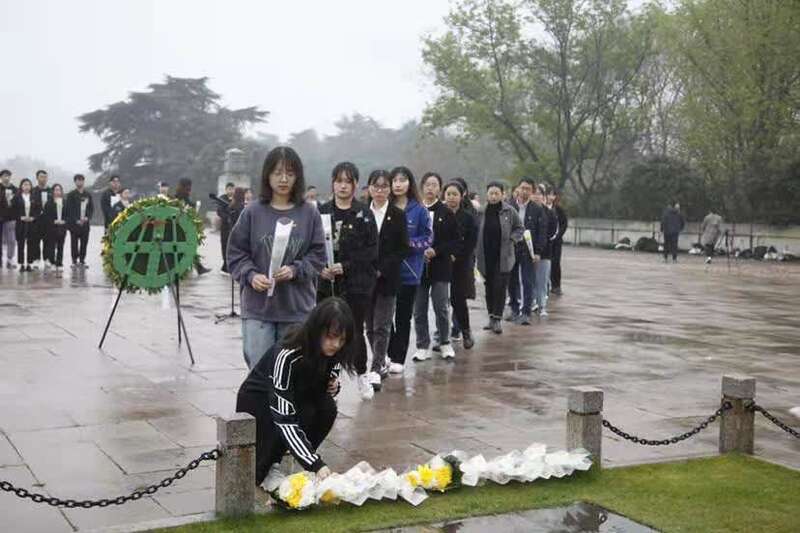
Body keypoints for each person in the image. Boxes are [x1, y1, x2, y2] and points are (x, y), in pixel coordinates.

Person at [236, 297, 357, 485]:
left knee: (326, 408)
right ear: (317, 331)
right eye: (331, 337)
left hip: (296, 396)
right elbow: (283, 416)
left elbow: (331, 372)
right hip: (260, 402)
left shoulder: (334, 351)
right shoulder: (288, 353)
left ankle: (291, 458)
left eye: (341, 340)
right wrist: (315, 464)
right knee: (295, 416)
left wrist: (334, 385)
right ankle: (267, 468)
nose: (335, 345)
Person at [227, 146, 327, 369]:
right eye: (277, 173)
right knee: (260, 373)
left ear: (298, 177)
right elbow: (236, 254)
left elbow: (318, 255)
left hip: (297, 309)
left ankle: (289, 406)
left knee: (293, 374)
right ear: (267, 175)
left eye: (290, 174)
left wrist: (295, 270)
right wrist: (251, 275)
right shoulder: (252, 212)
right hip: (258, 309)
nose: (283, 179)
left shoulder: (309, 213)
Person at [317, 162, 379, 400]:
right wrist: (320, 269)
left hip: (357, 284)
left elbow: (372, 251)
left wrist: (347, 266)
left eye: (348, 181)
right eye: (339, 181)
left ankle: (362, 374)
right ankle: (325, 380)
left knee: (353, 331)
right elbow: (312, 247)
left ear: (354, 185)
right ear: (333, 183)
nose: (343, 186)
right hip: (327, 283)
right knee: (325, 332)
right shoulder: (321, 211)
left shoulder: (364, 213)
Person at [364, 170, 410, 391]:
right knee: (369, 327)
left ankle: (375, 368)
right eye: (376, 186)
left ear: (389, 189)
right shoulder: (362, 214)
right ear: (369, 188)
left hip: (387, 278)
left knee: (382, 325)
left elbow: (403, 248)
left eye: (384, 186)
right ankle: (381, 360)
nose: (380, 190)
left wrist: (383, 268)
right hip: (364, 279)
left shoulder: (397, 215)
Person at [386, 167, 432, 374]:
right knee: (384, 316)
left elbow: (429, 238)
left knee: (403, 316)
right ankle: (387, 352)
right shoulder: (383, 207)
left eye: (402, 180)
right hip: (386, 271)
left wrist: (408, 244)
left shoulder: (419, 210)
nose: (397, 184)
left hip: (410, 271)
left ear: (409, 183)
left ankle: (398, 358)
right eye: (394, 180)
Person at [412, 172, 460, 362]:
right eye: (427, 184)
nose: (430, 188)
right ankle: (422, 345)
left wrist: (436, 251)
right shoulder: (415, 210)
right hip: (417, 267)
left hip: (440, 267)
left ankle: (444, 342)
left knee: (441, 306)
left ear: (439, 189)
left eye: (434, 185)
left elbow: (454, 241)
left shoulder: (446, 212)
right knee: (419, 308)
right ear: (422, 187)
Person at [475, 182, 523, 334]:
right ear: (487, 195)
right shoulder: (481, 211)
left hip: (503, 256)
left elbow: (519, 228)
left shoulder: (509, 211)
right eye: (491, 193)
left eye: (497, 193)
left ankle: (497, 319)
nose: (494, 196)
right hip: (485, 255)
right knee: (489, 288)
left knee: (500, 288)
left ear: (503, 194)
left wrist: (512, 240)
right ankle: (491, 317)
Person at [506, 177, 546, 325]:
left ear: (532, 191)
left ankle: (526, 312)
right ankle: (514, 309)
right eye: (522, 188)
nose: (524, 191)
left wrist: (538, 252)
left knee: (527, 281)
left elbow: (542, 232)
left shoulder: (537, 209)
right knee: (511, 280)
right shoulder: (509, 207)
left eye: (528, 189)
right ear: (518, 188)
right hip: (512, 249)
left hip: (528, 250)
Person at [443, 181, 478, 349]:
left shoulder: (468, 217)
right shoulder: (439, 213)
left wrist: (457, 256)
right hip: (440, 262)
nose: (451, 197)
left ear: (461, 195)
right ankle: (441, 337)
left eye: (454, 194)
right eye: (448, 194)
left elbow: (471, 242)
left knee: (458, 299)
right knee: (440, 301)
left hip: (460, 264)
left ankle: (465, 331)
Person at [174, 178, 211, 275]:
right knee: (188, 248)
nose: (190, 190)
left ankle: (198, 268)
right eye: (188, 187)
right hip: (176, 228)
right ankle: (197, 268)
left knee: (190, 248)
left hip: (184, 227)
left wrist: (195, 206)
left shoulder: (185, 196)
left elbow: (190, 205)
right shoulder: (176, 197)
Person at [536, 184, 559, 317]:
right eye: (535, 193)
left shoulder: (550, 213)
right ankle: (529, 304)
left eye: (540, 194)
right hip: (527, 252)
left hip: (545, 253)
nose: (536, 196)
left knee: (542, 281)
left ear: (544, 197)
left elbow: (553, 232)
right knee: (527, 280)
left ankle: (542, 306)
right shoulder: (527, 211)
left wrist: (542, 244)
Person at [65, 174, 94, 269]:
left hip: (85, 224)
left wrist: (87, 218)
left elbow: (91, 208)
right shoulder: (71, 195)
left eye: (81, 180)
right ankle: (74, 261)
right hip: (74, 224)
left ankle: (82, 260)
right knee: (74, 243)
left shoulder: (88, 195)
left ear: (83, 181)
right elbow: (69, 209)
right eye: (78, 180)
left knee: (84, 243)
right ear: (75, 182)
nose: (80, 182)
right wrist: (75, 220)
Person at [12, 178, 38, 272]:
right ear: (21, 186)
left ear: (31, 187)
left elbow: (38, 210)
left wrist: (33, 217)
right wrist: (20, 217)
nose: (27, 186)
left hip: (31, 224)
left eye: (28, 185)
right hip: (21, 224)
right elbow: (13, 210)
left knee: (31, 244)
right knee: (21, 244)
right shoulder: (17, 197)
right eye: (24, 184)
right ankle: (21, 264)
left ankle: (29, 264)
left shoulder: (34, 197)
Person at [42, 184, 68, 270]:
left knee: (61, 246)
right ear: (53, 191)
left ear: (61, 192)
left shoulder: (65, 202)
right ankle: (52, 261)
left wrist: (64, 221)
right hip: (51, 228)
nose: (57, 192)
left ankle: (59, 263)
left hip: (62, 228)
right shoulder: (49, 203)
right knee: (51, 246)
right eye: (56, 190)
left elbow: (68, 215)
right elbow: (46, 216)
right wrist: (53, 221)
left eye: (59, 190)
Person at [31, 170, 52, 270]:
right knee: (35, 240)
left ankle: (47, 259)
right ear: (37, 178)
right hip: (36, 220)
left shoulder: (50, 191)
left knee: (48, 241)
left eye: (45, 177)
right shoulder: (33, 191)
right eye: (41, 177)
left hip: (48, 221)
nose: (43, 179)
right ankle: (36, 259)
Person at [550, 190, 568, 295]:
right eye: (549, 194)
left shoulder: (558, 209)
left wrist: (558, 235)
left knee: (556, 262)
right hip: (546, 241)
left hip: (556, 242)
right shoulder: (543, 208)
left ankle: (556, 285)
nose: (551, 197)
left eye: (553, 195)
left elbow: (564, 223)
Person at [0, 169, 18, 269]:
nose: (6, 177)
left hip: (11, 218)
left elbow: (18, 202)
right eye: (4, 176)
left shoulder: (14, 189)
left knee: (11, 240)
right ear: (1, 177)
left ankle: (10, 259)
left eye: (8, 175)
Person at [218, 182, 235, 273]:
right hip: (225, 227)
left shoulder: (236, 199)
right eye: (229, 189)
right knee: (225, 245)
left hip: (235, 227)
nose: (231, 191)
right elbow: (219, 211)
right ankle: (225, 264)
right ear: (226, 190)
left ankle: (231, 264)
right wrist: (227, 217)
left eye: (232, 189)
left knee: (233, 246)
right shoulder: (222, 199)